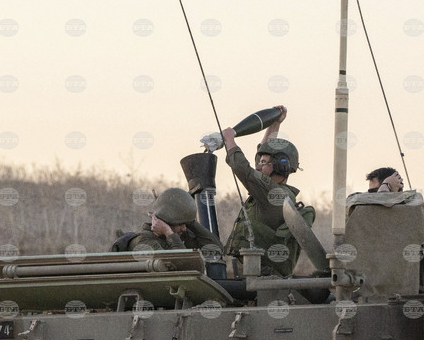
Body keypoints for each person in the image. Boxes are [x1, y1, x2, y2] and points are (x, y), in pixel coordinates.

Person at [221, 105, 313, 276]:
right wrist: (274, 125)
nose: (258, 166)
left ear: (280, 165)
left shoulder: (273, 193)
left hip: (263, 276)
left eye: (264, 163)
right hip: (259, 272)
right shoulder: (278, 191)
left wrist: (229, 139)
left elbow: (243, 169)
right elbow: (262, 154)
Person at [113, 187, 222, 255]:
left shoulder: (181, 235)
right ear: (164, 221)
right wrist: (169, 233)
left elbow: (216, 249)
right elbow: (183, 266)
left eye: (186, 224)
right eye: (180, 224)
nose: (184, 228)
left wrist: (191, 222)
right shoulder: (144, 242)